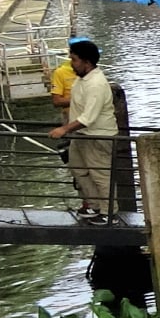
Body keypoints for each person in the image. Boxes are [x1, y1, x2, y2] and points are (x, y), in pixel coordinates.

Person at [48, 39, 118, 224]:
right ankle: (95, 205)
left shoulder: (96, 84)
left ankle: (109, 212)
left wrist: (64, 129)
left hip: (97, 135)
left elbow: (89, 117)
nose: (72, 64)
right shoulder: (81, 80)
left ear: (87, 62)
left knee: (101, 173)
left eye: (75, 60)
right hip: (81, 135)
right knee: (77, 168)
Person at [49, 36, 92, 119]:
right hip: (72, 117)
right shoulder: (60, 72)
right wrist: (84, 100)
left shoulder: (92, 69)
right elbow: (56, 101)